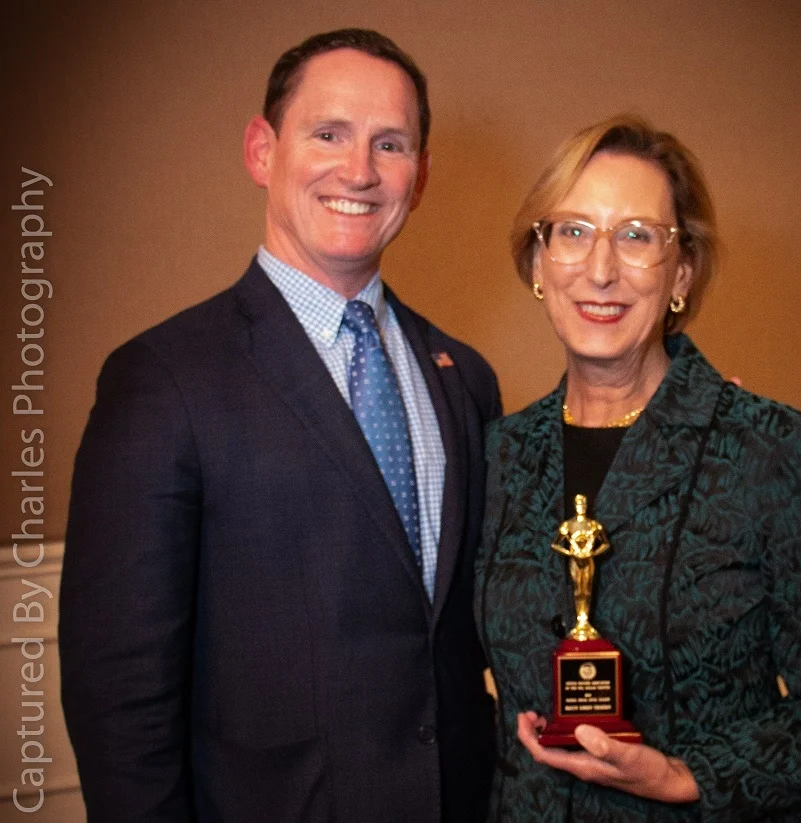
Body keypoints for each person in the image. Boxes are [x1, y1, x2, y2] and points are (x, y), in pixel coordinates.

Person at [59, 29, 499, 823]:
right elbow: (120, 697)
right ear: (262, 151)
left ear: (421, 176)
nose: (359, 170)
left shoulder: (464, 377)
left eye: (390, 144)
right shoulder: (163, 380)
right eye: (328, 134)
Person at [475, 115, 801, 822]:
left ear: (683, 271)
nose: (600, 269)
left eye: (637, 236)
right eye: (573, 231)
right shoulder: (500, 453)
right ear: (539, 262)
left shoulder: (766, 449)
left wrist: (684, 775)